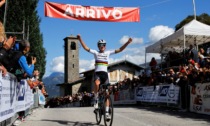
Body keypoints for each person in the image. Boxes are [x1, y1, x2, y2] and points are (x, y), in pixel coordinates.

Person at [77, 34, 132, 119]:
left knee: (107, 94)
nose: (102, 46)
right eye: (100, 45)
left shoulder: (108, 53)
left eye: (103, 45)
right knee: (96, 83)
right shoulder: (95, 53)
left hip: (105, 75)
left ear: (105, 46)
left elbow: (120, 50)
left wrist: (127, 42)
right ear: (98, 46)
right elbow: (86, 48)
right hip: (97, 73)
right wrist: (80, 39)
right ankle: (95, 99)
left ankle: (106, 112)